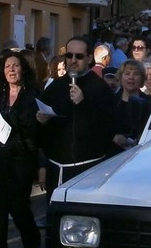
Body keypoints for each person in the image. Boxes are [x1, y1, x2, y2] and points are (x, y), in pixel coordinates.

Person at [0, 51, 44, 248]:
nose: (11, 70)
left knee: (19, 207)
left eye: (15, 66)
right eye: (7, 66)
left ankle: (34, 244)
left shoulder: (33, 95)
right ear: (2, 71)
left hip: (22, 158)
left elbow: (40, 131)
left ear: (23, 69)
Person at [37, 37, 115, 198]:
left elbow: (108, 126)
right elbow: (42, 132)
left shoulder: (99, 87)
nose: (73, 60)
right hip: (56, 167)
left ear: (89, 58)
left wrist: (82, 104)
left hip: (88, 167)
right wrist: (40, 121)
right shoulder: (55, 86)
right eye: (69, 55)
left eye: (78, 56)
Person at [110, 60, 151, 152]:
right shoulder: (111, 101)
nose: (131, 77)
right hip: (115, 152)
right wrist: (113, 137)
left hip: (142, 151)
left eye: (135, 74)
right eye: (127, 74)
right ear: (120, 78)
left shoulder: (149, 101)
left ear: (142, 79)